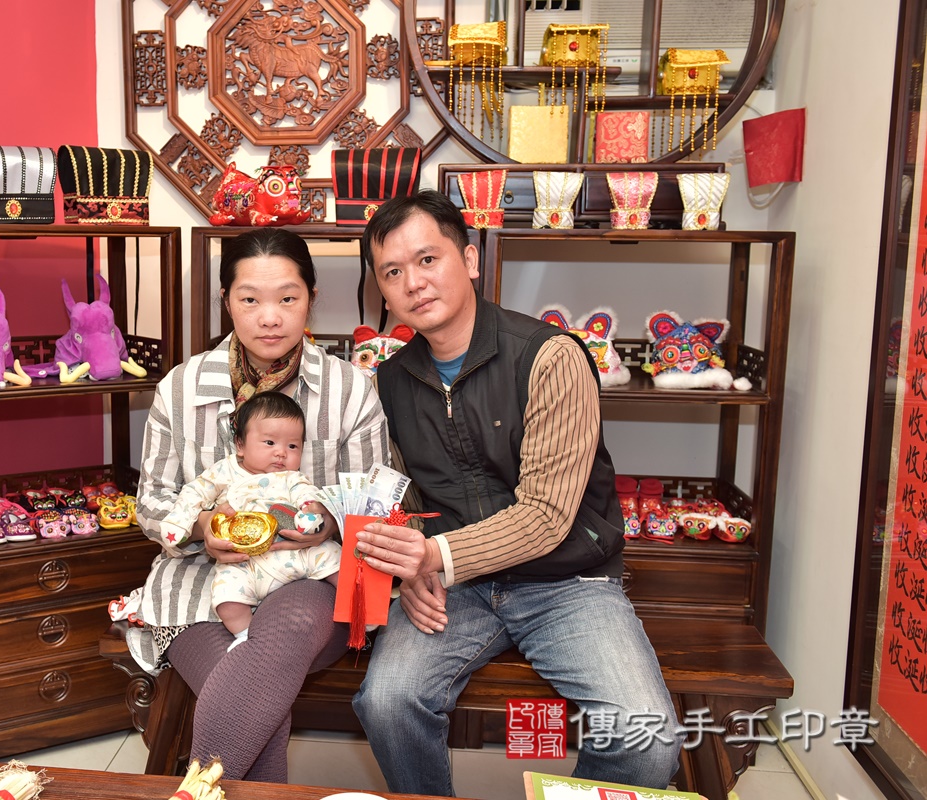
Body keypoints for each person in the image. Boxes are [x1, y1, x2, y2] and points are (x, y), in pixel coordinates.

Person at [350, 191, 681, 795]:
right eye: (392, 273)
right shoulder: (390, 381)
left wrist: (434, 557)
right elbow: (402, 499)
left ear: (470, 260)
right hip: (457, 588)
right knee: (387, 701)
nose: (413, 283)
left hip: (567, 580)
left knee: (645, 737)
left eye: (428, 259)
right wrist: (410, 569)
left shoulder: (550, 357)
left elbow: (547, 515)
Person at [129, 227, 389, 782]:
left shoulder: (349, 389)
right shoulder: (181, 388)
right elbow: (151, 503)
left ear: (311, 298)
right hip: (201, 583)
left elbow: (373, 503)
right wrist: (204, 526)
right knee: (252, 693)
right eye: (250, 300)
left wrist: (326, 524)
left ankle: (196, 792)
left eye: (287, 298)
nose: (270, 318)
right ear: (226, 300)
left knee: (274, 648)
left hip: (310, 576)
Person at [160, 391, 340, 651]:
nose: (281, 453)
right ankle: (245, 636)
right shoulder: (225, 471)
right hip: (243, 560)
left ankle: (359, 608)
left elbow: (308, 496)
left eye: (292, 446)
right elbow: (195, 493)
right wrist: (180, 521)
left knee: (337, 558)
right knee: (226, 598)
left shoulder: (292, 477)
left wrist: (310, 514)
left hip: (294, 550)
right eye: (270, 442)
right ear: (241, 445)